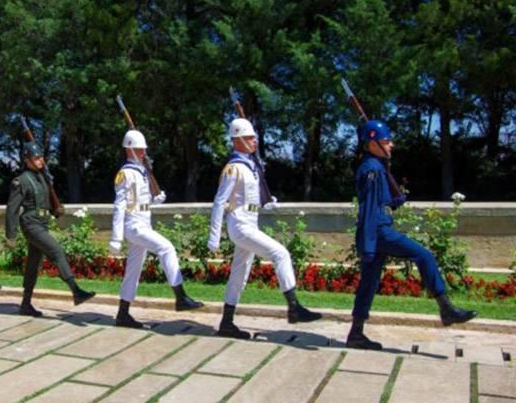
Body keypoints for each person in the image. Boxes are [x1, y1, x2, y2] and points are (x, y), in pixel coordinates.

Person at [346, 120, 476, 350]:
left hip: (375, 230)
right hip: (377, 231)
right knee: (424, 256)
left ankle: (356, 333)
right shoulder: (373, 170)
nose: (391, 144)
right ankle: (446, 309)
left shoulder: (375, 166)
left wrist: (395, 197)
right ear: (372, 143)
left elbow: (383, 203)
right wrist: (368, 244)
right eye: (387, 141)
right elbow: (368, 209)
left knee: (368, 283)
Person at [208, 118, 321, 339]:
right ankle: (294, 307)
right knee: (281, 253)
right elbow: (220, 201)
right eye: (250, 137)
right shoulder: (234, 168)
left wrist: (264, 202)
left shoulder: (250, 166)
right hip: (239, 224)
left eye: (254, 137)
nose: (255, 140)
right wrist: (214, 236)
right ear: (237, 140)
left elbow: (249, 195)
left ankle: (226, 323)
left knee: (239, 274)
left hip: (250, 220)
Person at [109, 130, 203, 328]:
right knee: (166, 248)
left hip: (143, 221)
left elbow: (141, 199)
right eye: (139, 149)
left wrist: (154, 200)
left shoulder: (141, 171)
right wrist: (116, 237)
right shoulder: (125, 173)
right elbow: (119, 205)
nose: (143, 152)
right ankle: (180, 297)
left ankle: (123, 314)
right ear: (129, 150)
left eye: (144, 149)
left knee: (133, 271)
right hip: (133, 224)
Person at [5, 142, 96, 317]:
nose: (40, 160)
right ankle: (76, 291)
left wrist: (56, 210)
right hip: (30, 224)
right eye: (36, 158)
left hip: (43, 223)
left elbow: (44, 202)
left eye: (41, 157)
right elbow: (12, 209)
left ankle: (25, 303)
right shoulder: (20, 181)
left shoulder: (42, 178)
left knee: (33, 263)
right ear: (27, 160)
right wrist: (11, 234)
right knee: (56, 250)